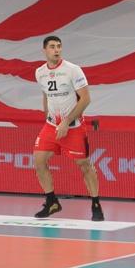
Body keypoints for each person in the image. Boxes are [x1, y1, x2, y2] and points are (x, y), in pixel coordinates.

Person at [33, 35, 104, 221]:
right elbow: (46, 95)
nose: (56, 50)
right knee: (39, 161)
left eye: (59, 46)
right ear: (44, 50)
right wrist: (47, 116)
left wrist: (67, 121)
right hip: (51, 126)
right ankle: (52, 202)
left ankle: (96, 204)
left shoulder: (73, 70)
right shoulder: (39, 72)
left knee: (84, 165)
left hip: (73, 126)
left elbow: (86, 99)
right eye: (52, 47)